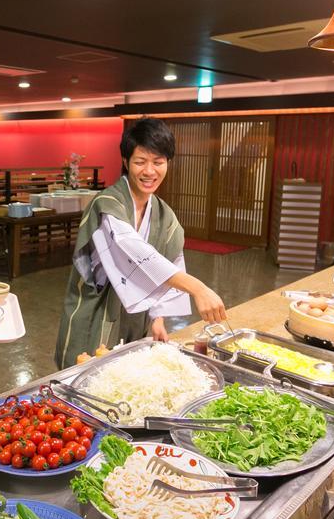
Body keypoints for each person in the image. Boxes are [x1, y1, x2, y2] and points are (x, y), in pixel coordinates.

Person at [55, 117, 228, 368]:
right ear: (126, 162)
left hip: (136, 318)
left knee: (122, 381)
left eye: (158, 162)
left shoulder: (163, 215)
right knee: (85, 379)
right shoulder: (108, 204)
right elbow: (134, 251)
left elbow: (172, 261)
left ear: (168, 163)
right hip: (96, 310)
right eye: (140, 162)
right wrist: (198, 288)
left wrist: (157, 317)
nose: (150, 171)